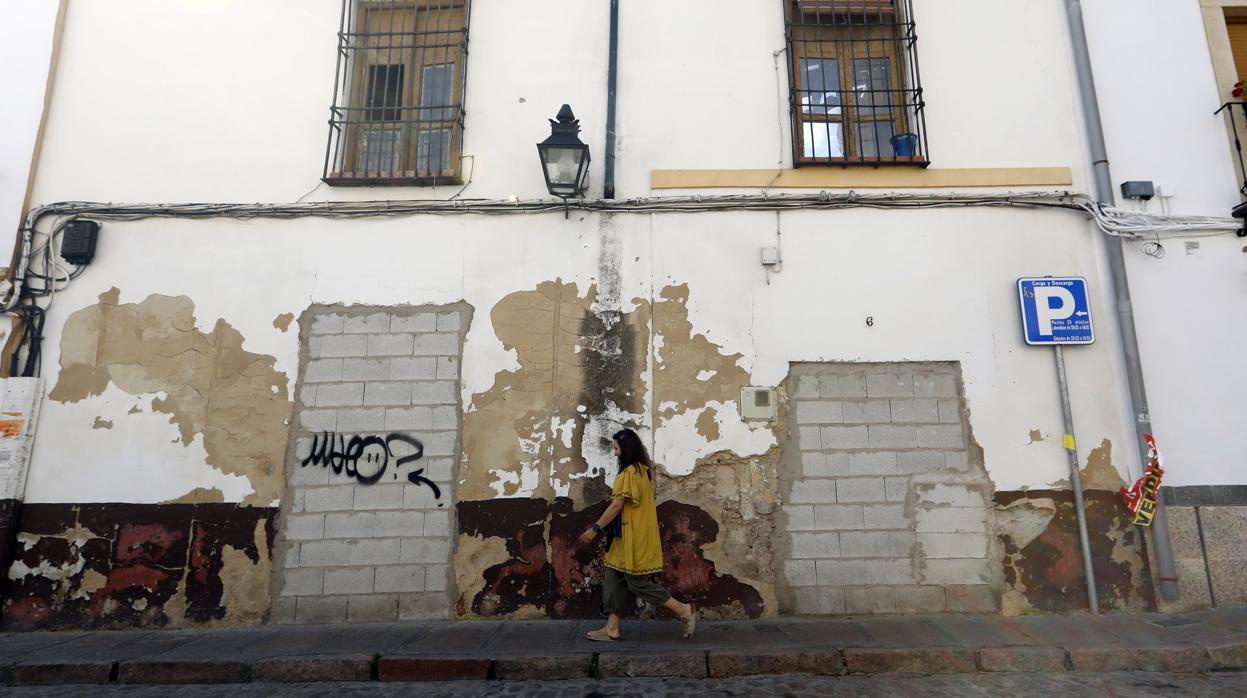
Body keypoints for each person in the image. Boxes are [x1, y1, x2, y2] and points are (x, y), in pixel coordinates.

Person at [579, 428, 697, 641]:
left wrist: (594, 529)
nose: (615, 453)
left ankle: (682, 610)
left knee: (636, 582)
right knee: (615, 578)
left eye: (616, 448)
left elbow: (616, 506)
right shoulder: (643, 470)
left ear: (627, 449)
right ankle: (611, 629)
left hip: (632, 536)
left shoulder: (629, 474)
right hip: (626, 536)